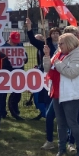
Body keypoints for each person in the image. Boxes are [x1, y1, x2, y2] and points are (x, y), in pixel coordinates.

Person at [43, 33, 79, 156]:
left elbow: (71, 73)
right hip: (57, 92)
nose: (58, 45)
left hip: (71, 94)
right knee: (61, 123)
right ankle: (61, 149)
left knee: (72, 122)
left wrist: (57, 62)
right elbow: (47, 68)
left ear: (69, 43)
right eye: (58, 43)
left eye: (61, 43)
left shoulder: (78, 55)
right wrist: (47, 56)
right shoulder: (59, 53)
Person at [26, 17, 61, 148]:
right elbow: (33, 40)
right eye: (53, 33)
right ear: (50, 35)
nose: (55, 35)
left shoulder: (64, 45)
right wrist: (29, 27)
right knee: (47, 101)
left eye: (57, 33)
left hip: (60, 77)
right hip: (47, 76)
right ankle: (49, 131)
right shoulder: (45, 44)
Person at [63, 25, 79, 153]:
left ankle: (78, 142)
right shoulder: (61, 53)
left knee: (78, 117)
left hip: (77, 90)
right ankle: (67, 142)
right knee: (68, 118)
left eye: (76, 34)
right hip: (65, 90)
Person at [6, 31, 28, 120]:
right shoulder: (3, 47)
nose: (15, 43)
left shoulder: (20, 45)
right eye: (13, 41)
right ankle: (2, 112)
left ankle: (15, 110)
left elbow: (25, 57)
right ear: (9, 38)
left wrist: (25, 58)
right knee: (3, 93)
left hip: (19, 72)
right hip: (6, 72)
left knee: (17, 92)